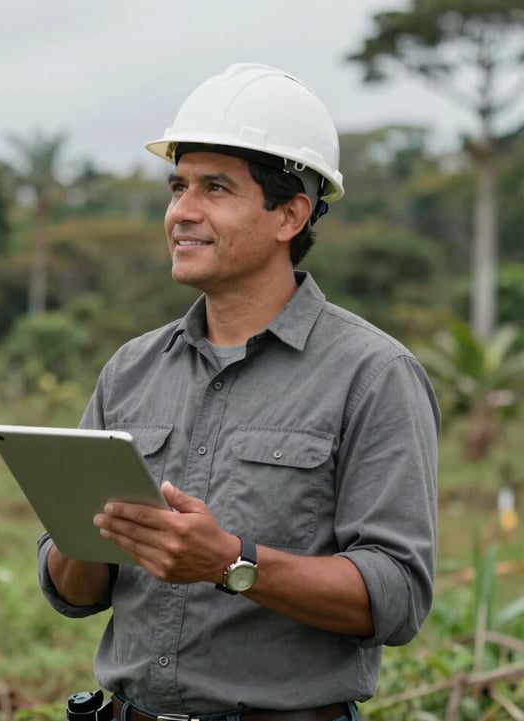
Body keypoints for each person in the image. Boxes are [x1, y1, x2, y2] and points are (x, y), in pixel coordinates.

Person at [37, 63, 440, 721]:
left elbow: (395, 596)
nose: (182, 212)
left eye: (215, 188)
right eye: (179, 186)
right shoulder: (131, 370)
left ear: (290, 214)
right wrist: (85, 535)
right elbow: (75, 592)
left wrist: (229, 561)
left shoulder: (373, 374)